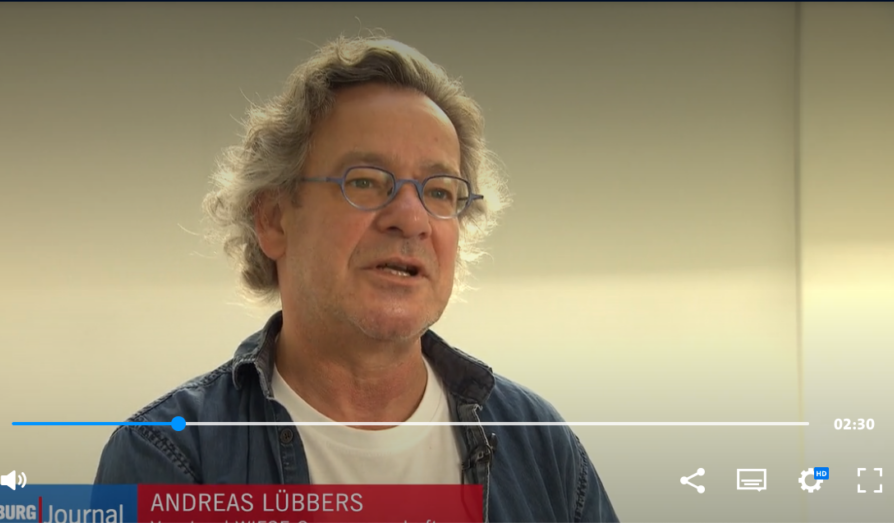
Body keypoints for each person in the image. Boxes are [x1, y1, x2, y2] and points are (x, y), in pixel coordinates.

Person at [94, 34, 618, 522]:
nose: (411, 218)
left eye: (439, 191)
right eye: (365, 181)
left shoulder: (539, 444)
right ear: (273, 219)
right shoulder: (172, 456)